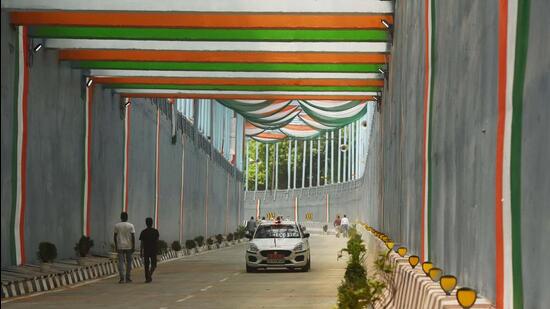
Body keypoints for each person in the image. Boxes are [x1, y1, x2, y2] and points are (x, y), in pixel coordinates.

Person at [114, 212, 135, 283]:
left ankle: (122, 278)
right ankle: (128, 277)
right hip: (129, 246)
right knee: (129, 262)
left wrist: (116, 246)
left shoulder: (117, 225)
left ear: (121, 217)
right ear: (127, 217)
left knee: (121, 262)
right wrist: (133, 246)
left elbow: (115, 236)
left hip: (120, 246)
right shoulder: (131, 225)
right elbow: (133, 237)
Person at [139, 217, 159, 283]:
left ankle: (147, 277)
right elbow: (157, 241)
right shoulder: (156, 231)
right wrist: (158, 250)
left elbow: (142, 243)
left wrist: (141, 252)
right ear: (152, 223)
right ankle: (149, 275)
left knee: (146, 265)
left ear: (146, 223)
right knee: (154, 264)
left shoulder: (143, 232)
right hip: (153, 250)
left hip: (146, 250)